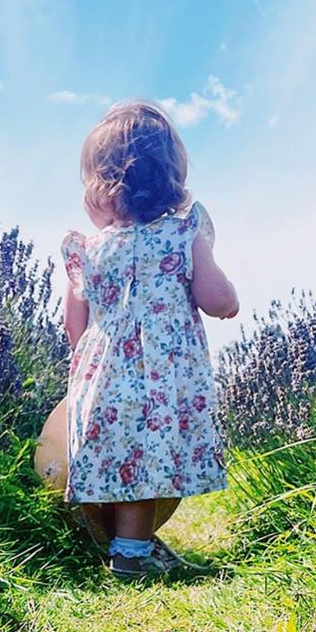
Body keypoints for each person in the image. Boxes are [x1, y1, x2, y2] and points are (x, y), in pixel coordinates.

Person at [61, 99, 239, 579]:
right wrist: (229, 296)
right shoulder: (183, 235)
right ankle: (130, 560)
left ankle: (124, 544)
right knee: (146, 463)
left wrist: (86, 365)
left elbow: (72, 323)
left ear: (99, 187)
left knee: (117, 459)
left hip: (101, 376)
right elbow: (217, 299)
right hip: (161, 378)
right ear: (171, 179)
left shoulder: (87, 249)